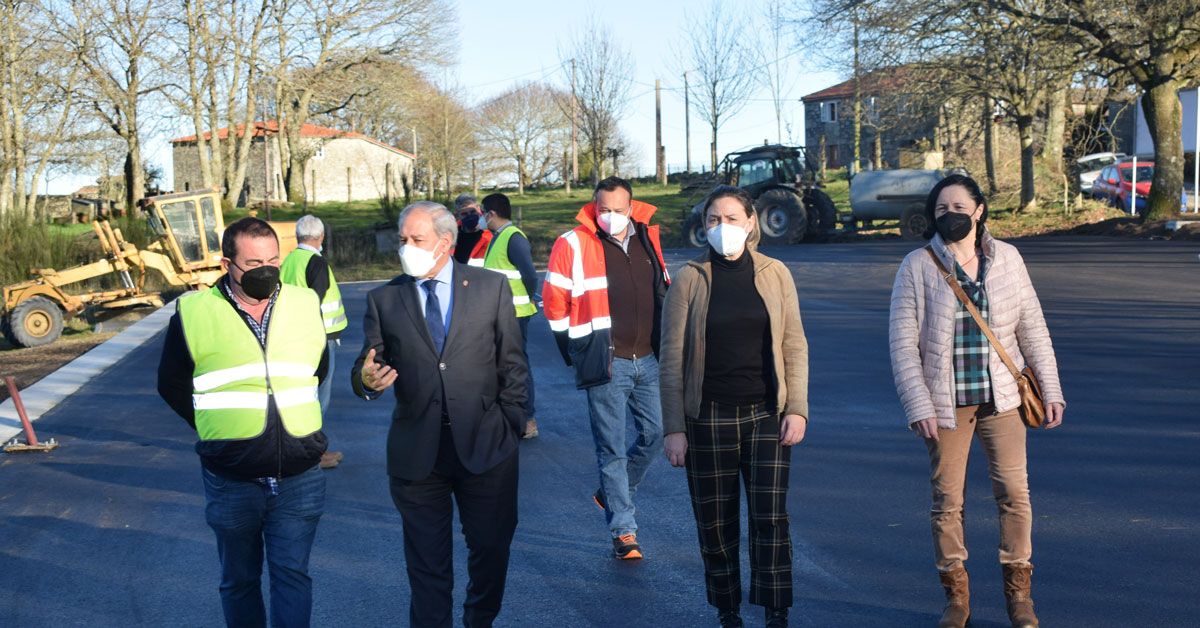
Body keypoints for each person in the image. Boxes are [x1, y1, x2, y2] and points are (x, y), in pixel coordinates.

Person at [888, 173, 1066, 628]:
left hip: (1003, 398)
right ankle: (956, 599)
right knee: (947, 499)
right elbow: (903, 344)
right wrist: (918, 405)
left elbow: (1033, 329)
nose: (950, 215)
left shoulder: (1007, 258)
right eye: (941, 210)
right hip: (945, 404)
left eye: (959, 207)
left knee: (1014, 494)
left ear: (980, 210)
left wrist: (1052, 390)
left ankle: (1020, 597)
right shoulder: (917, 265)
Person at [350, 201, 528, 628]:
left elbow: (513, 365)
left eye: (417, 240)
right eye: (403, 240)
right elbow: (365, 367)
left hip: (487, 447)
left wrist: (511, 425)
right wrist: (365, 381)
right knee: (427, 566)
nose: (406, 248)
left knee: (490, 549)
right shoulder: (384, 299)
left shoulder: (489, 288)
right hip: (417, 454)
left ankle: (478, 619)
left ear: (445, 244)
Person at [157, 216, 329, 628]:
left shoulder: (304, 303)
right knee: (239, 581)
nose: (266, 271)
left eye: (273, 260)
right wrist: (216, 429)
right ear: (226, 263)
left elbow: (317, 369)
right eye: (253, 264)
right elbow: (171, 383)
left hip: (300, 473)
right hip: (232, 474)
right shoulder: (195, 312)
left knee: (293, 575)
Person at [659, 186, 809, 628]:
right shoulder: (689, 277)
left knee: (771, 519)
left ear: (750, 222)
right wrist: (674, 426)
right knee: (716, 523)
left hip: (767, 415)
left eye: (730, 218)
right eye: (712, 220)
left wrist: (796, 407)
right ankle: (727, 610)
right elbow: (671, 358)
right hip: (706, 416)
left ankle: (776, 609)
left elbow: (794, 343)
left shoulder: (776, 273)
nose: (721, 227)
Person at [543, 176, 670, 560]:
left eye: (618, 210)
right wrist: (579, 352)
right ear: (594, 206)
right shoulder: (573, 243)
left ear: (631, 207)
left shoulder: (648, 236)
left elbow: (661, 289)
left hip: (647, 358)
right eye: (603, 209)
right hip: (606, 361)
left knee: (657, 434)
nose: (610, 216)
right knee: (610, 448)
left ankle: (612, 493)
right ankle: (624, 532)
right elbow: (554, 305)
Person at [280, 214, 345, 469]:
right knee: (319, 398)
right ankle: (314, 455)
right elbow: (313, 303)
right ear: (320, 237)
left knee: (304, 396)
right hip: (319, 339)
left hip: (293, 336)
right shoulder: (316, 263)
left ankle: (312, 452)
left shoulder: (289, 261)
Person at [480, 192, 541, 438]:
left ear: (492, 213)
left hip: (514, 314)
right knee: (502, 366)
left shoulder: (513, 238)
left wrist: (527, 296)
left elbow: (530, 275)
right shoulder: (499, 237)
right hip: (500, 313)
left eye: (484, 213)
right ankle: (509, 416)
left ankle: (528, 420)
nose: (482, 218)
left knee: (518, 367)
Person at [452, 193, 491, 266]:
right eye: (464, 214)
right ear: (458, 215)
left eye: (473, 212)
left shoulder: (490, 235)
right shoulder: (451, 233)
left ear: (479, 209)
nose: (470, 216)